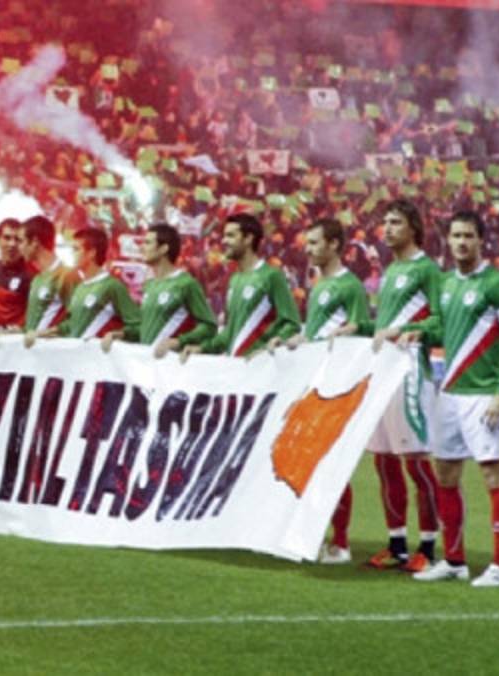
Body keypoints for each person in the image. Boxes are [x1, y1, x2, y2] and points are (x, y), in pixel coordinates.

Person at [391, 211, 499, 587]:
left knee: (492, 474)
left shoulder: (496, 284)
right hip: (449, 393)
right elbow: (442, 329)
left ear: (480, 240)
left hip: (482, 394)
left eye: (468, 236)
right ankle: (454, 560)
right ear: (448, 241)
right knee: (445, 474)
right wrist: (414, 331)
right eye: (456, 236)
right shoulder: (447, 283)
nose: (461, 242)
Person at [267, 218, 369, 564]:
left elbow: (360, 327)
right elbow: (314, 332)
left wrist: (348, 332)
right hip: (315, 380)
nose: (307, 249)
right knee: (308, 460)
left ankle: (340, 543)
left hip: (337, 384)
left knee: (330, 462)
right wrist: (292, 340)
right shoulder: (319, 284)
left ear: (334, 245)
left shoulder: (349, 285)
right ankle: (313, 535)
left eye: (314, 243)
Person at [365, 200, 443, 573]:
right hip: (383, 372)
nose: (388, 228)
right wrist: (360, 328)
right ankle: (396, 543)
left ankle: (428, 546)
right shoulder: (392, 270)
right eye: (385, 222)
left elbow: (441, 323)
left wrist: (409, 331)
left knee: (416, 462)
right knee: (383, 461)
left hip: (411, 373)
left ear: (414, 227)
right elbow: (385, 325)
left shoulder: (427, 270)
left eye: (396, 222)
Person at [182, 213, 300, 360]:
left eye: (230, 235)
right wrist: (202, 348)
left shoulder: (271, 276)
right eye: (224, 236)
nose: (224, 241)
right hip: (236, 368)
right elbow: (229, 332)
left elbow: (291, 323)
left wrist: (272, 345)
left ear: (248, 238)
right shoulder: (234, 280)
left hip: (261, 368)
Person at [102, 223, 215, 355]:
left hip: (171, 363)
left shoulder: (186, 283)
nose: (141, 248)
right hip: (148, 363)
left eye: (147, 243)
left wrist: (179, 341)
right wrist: (122, 334)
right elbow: (146, 329)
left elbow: (209, 326)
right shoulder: (149, 285)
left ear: (163, 249)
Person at [52, 227, 140, 341]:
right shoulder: (80, 288)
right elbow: (70, 325)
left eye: (76, 249)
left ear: (91, 253)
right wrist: (44, 333)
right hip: (75, 351)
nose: (72, 253)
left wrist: (118, 334)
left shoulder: (113, 286)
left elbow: (136, 325)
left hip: (98, 352)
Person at [21, 215, 80, 347]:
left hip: (54, 354)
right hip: (32, 355)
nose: (19, 247)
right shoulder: (36, 280)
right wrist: (16, 331)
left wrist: (48, 332)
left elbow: (79, 319)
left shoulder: (67, 275)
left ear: (35, 242)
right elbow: (32, 326)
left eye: (22, 241)